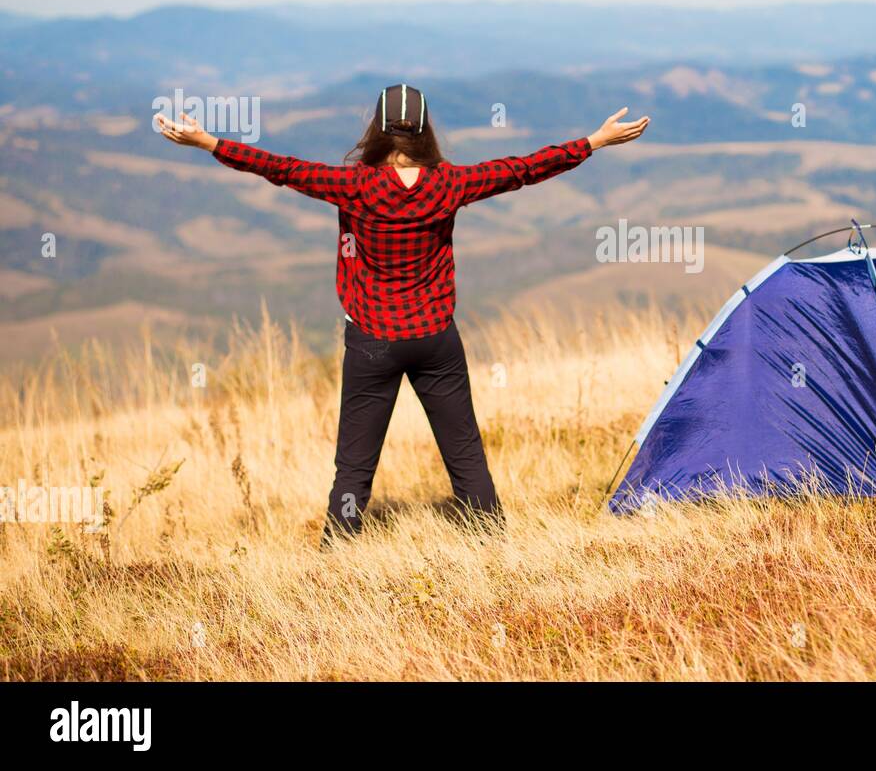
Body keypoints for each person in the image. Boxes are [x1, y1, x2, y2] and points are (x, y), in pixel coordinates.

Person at [155, 85, 649, 541]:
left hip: (371, 341)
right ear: (426, 130)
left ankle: (336, 558)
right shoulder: (450, 183)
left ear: (377, 128)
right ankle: (495, 546)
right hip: (436, 337)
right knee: (466, 455)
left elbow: (279, 167)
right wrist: (595, 140)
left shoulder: (354, 186)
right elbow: (524, 168)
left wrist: (206, 141)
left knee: (354, 467)